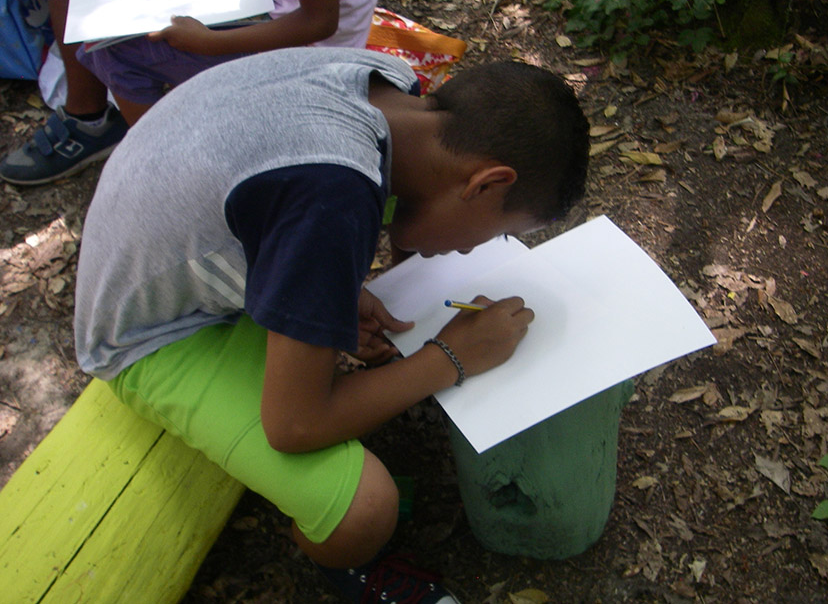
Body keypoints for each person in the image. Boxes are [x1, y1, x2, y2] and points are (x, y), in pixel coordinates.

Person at [74, 47, 590, 602]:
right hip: (149, 335)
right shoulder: (335, 196)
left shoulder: (385, 82)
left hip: (179, 253)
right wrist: (450, 357)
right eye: (488, 234)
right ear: (486, 182)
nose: (468, 249)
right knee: (364, 511)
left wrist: (330, 288)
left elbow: (284, 199)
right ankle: (354, 571)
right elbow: (294, 427)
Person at [0, 0, 385, 185]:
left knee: (107, 46)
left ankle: (171, 170)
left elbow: (318, 22)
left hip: (305, 58)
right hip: (281, 12)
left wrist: (207, 43)